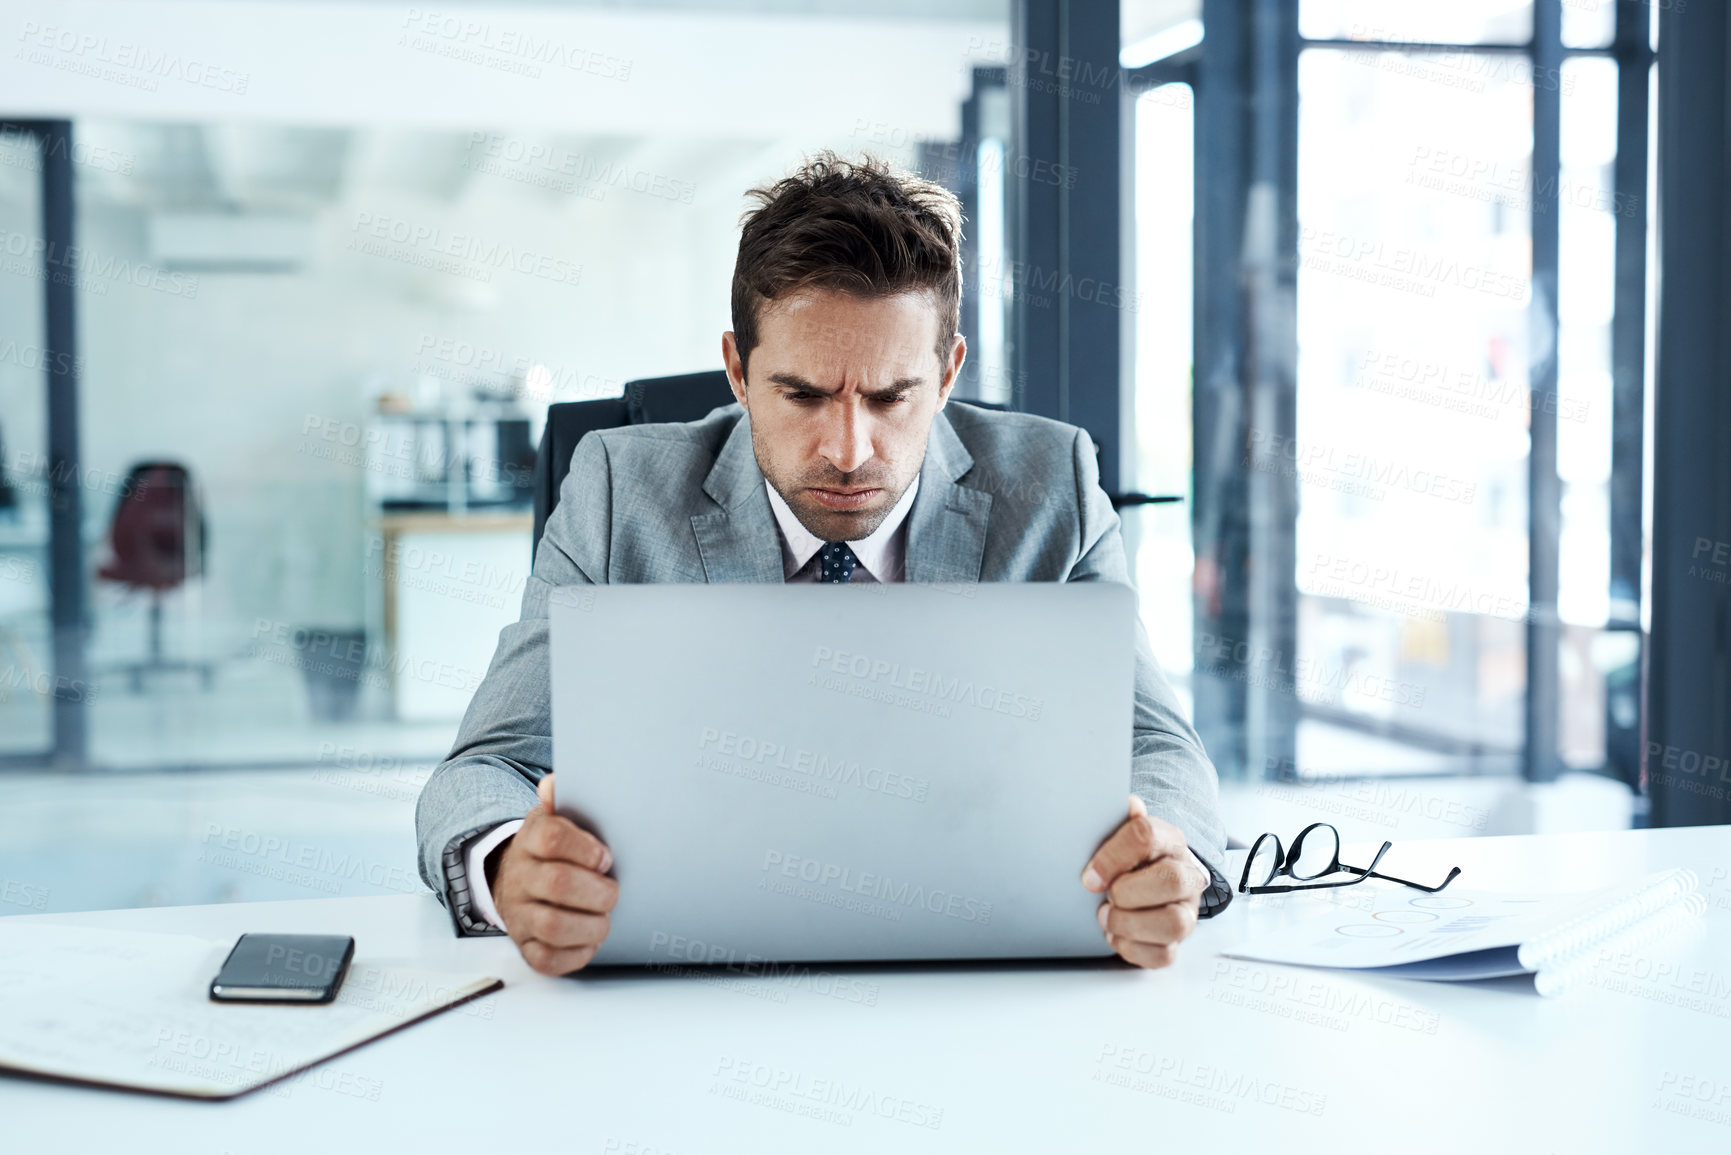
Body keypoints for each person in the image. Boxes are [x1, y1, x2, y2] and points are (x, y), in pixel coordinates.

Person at [415, 152, 1232, 976]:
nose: (848, 451)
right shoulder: (618, 490)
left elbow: (1159, 747)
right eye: (803, 394)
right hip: (685, 996)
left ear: (947, 373)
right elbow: (488, 763)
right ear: (737, 370)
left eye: (889, 397)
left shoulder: (1051, 483)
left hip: (985, 989)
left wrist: (1170, 863)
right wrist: (509, 863)